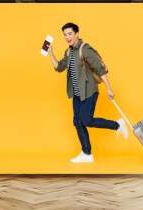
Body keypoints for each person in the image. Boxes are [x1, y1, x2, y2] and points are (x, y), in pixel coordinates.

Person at [48, 22, 129, 163]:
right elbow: (59, 67)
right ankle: (87, 154)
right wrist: (51, 53)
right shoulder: (68, 52)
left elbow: (100, 69)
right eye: (65, 35)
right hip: (77, 94)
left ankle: (118, 125)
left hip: (89, 92)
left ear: (77, 34)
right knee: (78, 122)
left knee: (86, 120)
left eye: (70, 34)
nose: (67, 37)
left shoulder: (85, 49)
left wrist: (109, 88)